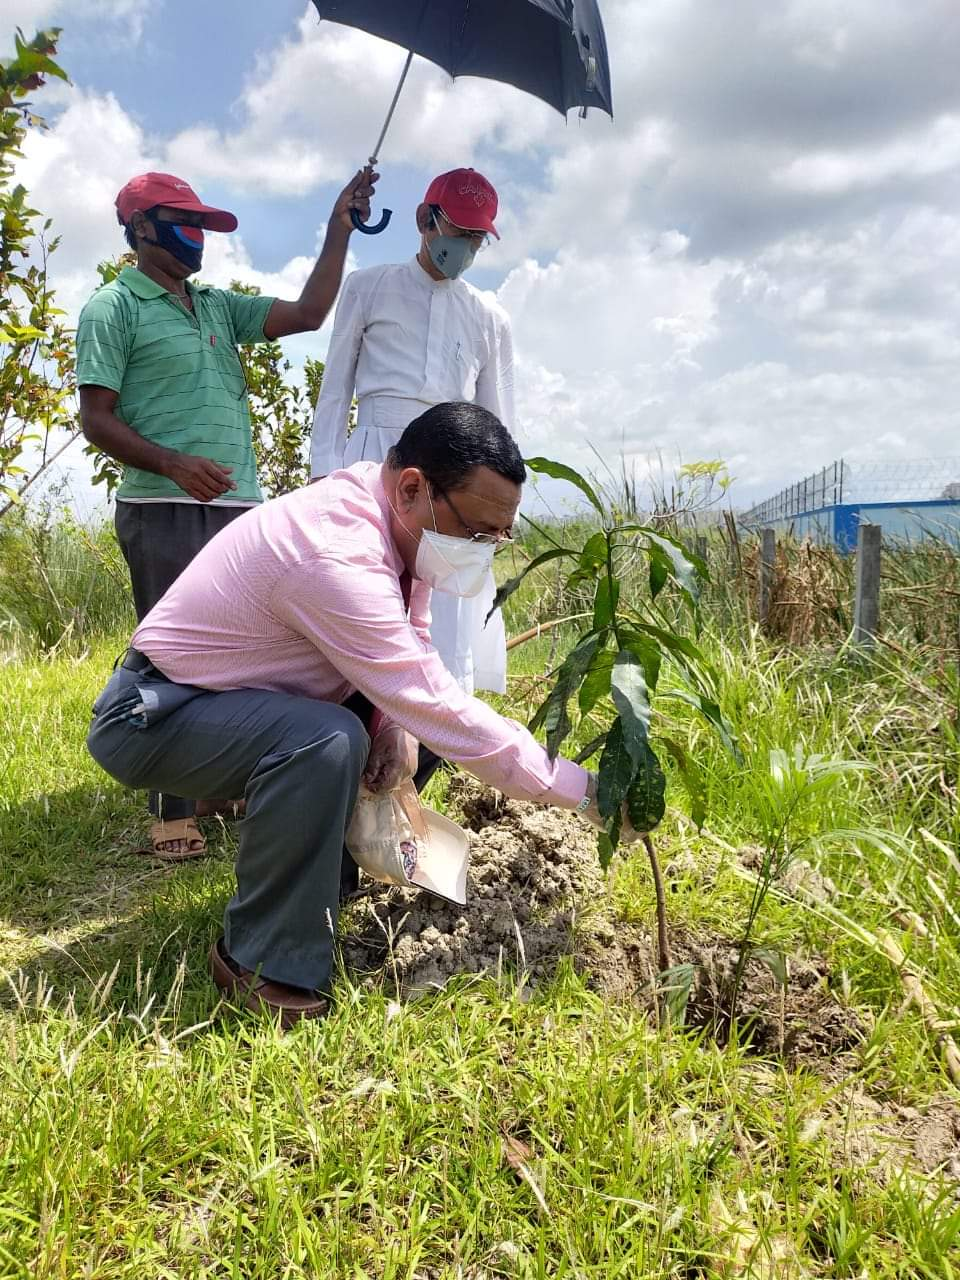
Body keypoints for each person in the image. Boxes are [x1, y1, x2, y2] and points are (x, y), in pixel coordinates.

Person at [86, 404, 644, 1029]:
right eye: (478, 532)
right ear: (413, 487)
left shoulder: (395, 520)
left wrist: (396, 725)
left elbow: (414, 640)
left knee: (410, 732)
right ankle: (257, 958)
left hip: (239, 701)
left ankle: (322, 889)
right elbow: (434, 702)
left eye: (499, 536)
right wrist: (584, 791)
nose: (485, 549)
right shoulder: (337, 551)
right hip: (157, 713)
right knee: (327, 740)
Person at [77, 165, 377, 860]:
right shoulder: (113, 308)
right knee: (171, 657)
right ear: (142, 229)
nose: (198, 237)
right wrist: (174, 462)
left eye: (204, 225)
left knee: (246, 657)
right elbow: (97, 420)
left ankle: (221, 783)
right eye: (186, 224)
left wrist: (338, 228)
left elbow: (306, 314)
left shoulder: (214, 305)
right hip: (165, 508)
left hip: (241, 510)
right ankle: (171, 814)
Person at [309, 167, 513, 699]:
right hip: (373, 457)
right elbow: (335, 390)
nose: (465, 246)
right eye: (459, 231)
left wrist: (499, 509)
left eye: (476, 239)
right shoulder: (368, 287)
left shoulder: (489, 316)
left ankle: (434, 740)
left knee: (442, 607)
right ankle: (355, 725)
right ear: (425, 220)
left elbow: (499, 419)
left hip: (455, 472)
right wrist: (322, 477)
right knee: (364, 588)